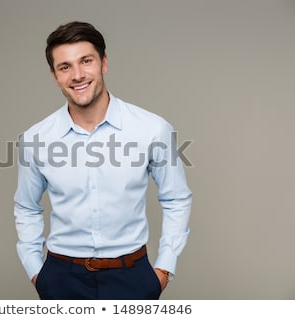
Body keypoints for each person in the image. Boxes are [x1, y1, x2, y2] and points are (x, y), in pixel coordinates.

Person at [14, 21, 192, 299]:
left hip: (133, 277)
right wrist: (38, 272)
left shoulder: (152, 129)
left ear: (104, 63)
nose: (77, 75)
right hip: (60, 278)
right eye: (65, 67)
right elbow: (26, 206)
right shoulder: (35, 138)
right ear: (54, 75)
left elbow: (176, 198)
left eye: (86, 61)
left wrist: (164, 268)